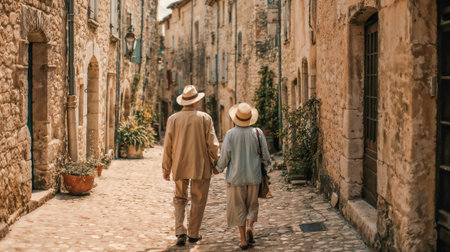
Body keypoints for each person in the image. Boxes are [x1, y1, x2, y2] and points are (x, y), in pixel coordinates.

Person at [162, 85, 220, 246]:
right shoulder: (204, 118)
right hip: (200, 165)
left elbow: (168, 145)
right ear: (196, 102)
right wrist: (217, 163)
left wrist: (166, 168)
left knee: (179, 198)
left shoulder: (173, 119)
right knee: (198, 199)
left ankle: (180, 231)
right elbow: (212, 144)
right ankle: (193, 233)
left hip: (179, 164)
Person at [214, 102, 271, 250]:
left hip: (236, 178)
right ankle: (250, 226)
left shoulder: (230, 134)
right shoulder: (258, 133)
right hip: (254, 176)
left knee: (238, 207)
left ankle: (243, 239)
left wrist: (218, 168)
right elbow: (266, 156)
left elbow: (225, 156)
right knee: (252, 205)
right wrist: (264, 165)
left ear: (236, 118)